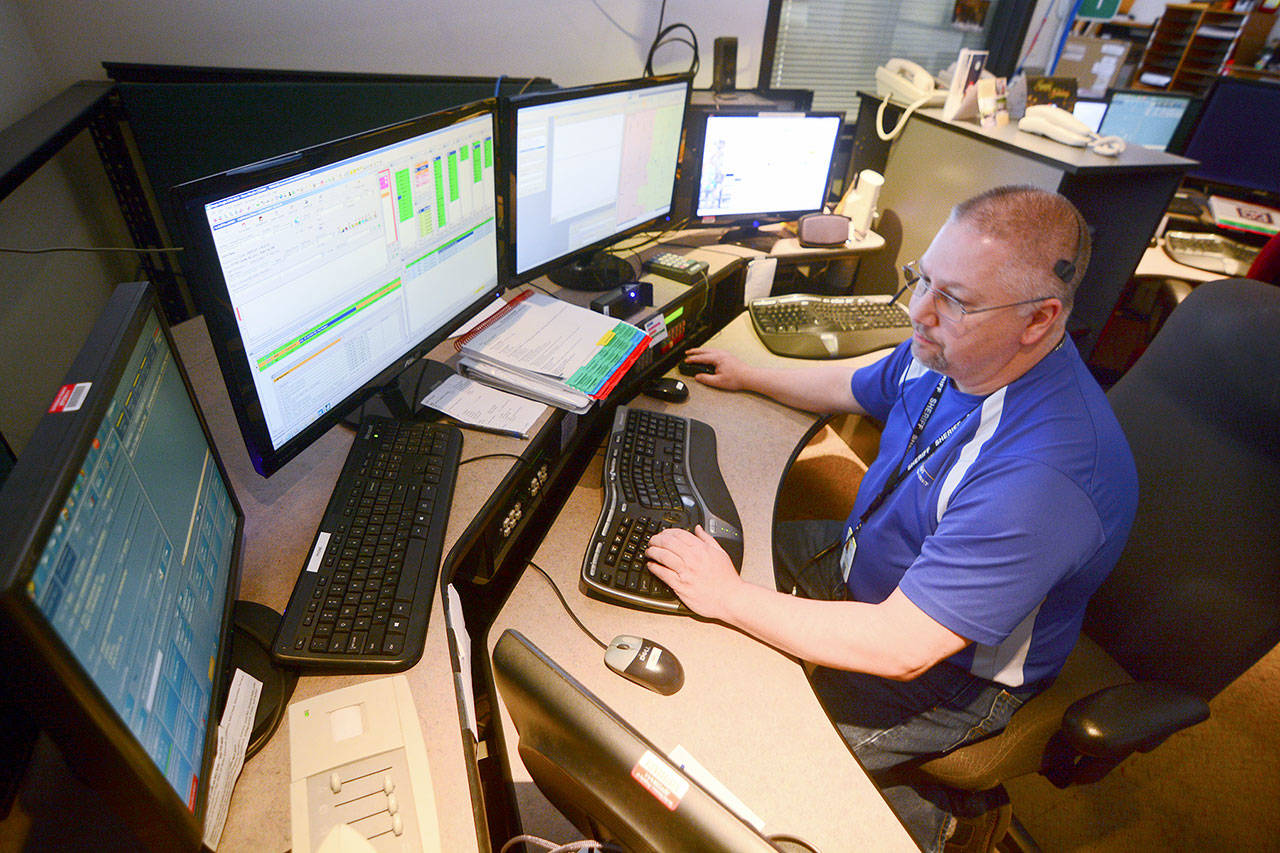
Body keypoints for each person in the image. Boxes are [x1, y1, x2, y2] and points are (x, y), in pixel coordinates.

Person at [644, 186, 1139, 852]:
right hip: (865, 556)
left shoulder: (1045, 476)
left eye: (954, 299)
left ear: (1037, 320)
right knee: (701, 549)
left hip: (954, 668)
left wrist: (728, 597)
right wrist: (749, 373)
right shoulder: (953, 349)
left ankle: (937, 816)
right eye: (923, 279)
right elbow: (859, 384)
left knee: (746, 760)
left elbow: (901, 645)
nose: (920, 312)